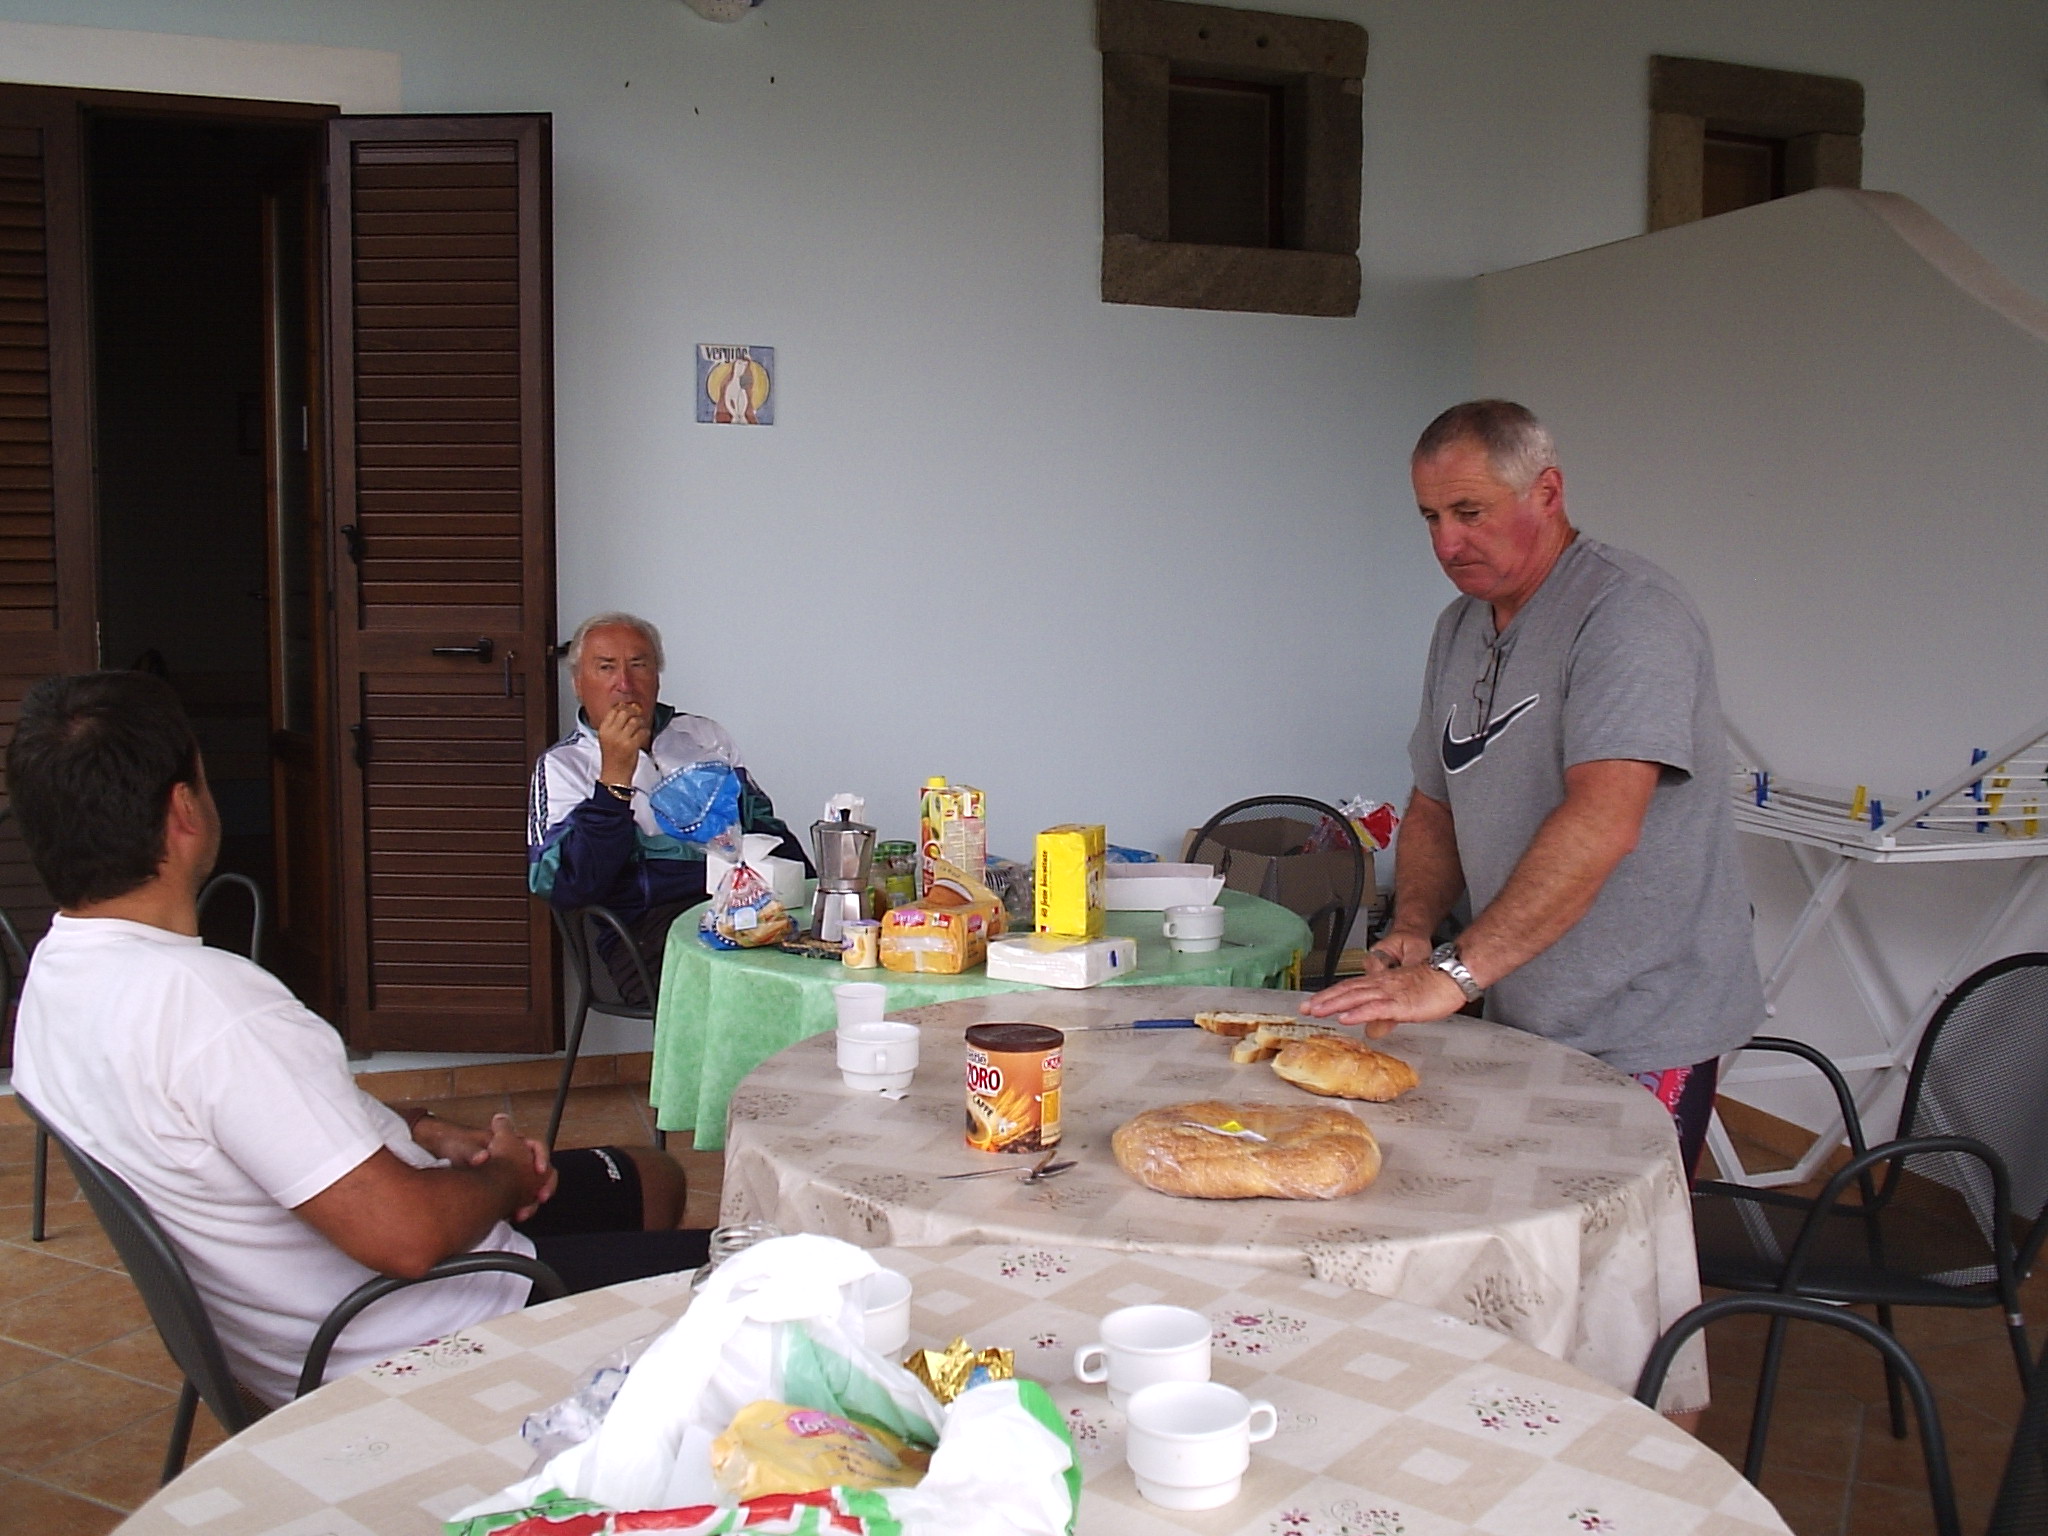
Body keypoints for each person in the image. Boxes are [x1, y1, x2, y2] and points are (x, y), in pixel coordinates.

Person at [7, 671, 713, 1407]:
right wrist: (505, 1174)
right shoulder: (213, 1010)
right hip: (418, 1340)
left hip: (303, 1319)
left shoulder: (56, 981)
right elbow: (404, 1238)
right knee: (765, 1280)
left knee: (649, 1176)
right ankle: (595, 1393)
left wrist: (425, 1129)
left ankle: (619, 1387)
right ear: (185, 809)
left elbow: (245, 1122)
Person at [1305, 400, 1762, 1181]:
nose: (1447, 543)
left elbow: (1604, 820)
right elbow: (1436, 804)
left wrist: (1453, 975)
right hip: (1518, 1003)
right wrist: (1413, 927)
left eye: (1470, 512)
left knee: (1606, 1229)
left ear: (1547, 493)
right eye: (1430, 518)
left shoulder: (1628, 613)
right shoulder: (1459, 626)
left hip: (1639, 1018)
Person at [527, 612, 808, 998]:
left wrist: (815, 894)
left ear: (657, 677)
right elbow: (567, 886)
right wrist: (614, 779)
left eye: (638, 665)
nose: (624, 684)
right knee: (749, 992)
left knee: (827, 961)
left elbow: (766, 829)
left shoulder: (702, 736)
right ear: (578, 683)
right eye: (606, 667)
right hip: (647, 932)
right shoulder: (562, 766)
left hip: (744, 912)